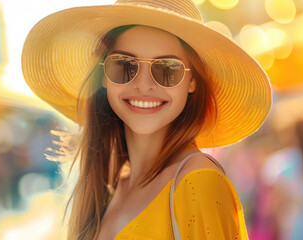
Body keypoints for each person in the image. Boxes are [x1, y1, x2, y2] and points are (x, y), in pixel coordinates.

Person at [21, 0, 271, 239]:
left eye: (167, 69)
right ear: (104, 76)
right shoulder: (113, 188)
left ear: (192, 81)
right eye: (124, 65)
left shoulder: (198, 182)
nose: (143, 84)